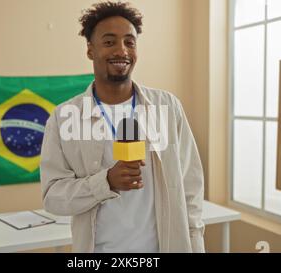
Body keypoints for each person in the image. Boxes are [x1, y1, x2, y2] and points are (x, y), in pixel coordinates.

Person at [40, 1, 205, 253]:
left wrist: (196, 245)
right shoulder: (64, 117)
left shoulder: (167, 107)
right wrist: (105, 181)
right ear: (90, 50)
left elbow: (190, 188)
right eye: (109, 42)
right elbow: (52, 197)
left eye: (129, 42)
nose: (122, 50)